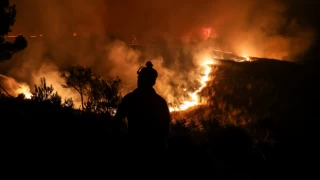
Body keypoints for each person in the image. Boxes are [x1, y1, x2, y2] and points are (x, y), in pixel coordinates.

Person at [113, 61, 171, 166]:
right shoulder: (160, 102)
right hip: (156, 153)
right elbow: (166, 130)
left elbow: (116, 121)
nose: (139, 80)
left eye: (140, 78)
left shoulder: (130, 99)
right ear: (154, 82)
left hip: (134, 150)